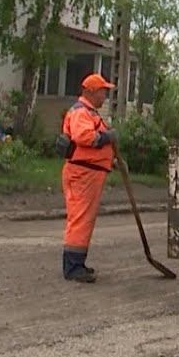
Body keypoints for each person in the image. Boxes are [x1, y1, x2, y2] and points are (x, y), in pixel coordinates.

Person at [60, 74, 118, 284]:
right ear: (91, 92)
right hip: (82, 174)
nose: (105, 95)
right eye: (103, 91)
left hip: (89, 172)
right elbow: (84, 137)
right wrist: (106, 138)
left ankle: (77, 263)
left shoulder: (90, 112)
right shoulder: (81, 112)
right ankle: (73, 267)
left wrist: (109, 159)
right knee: (80, 218)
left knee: (83, 218)